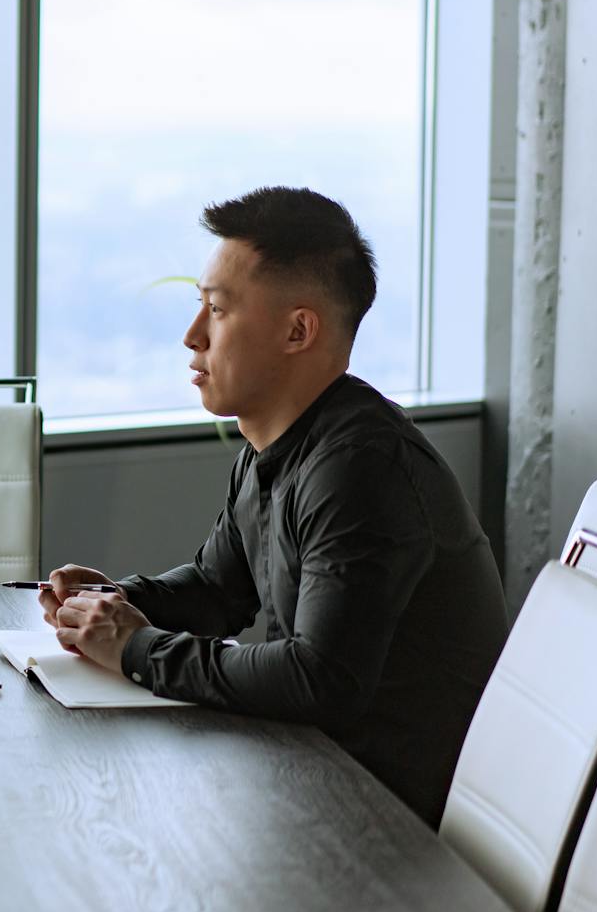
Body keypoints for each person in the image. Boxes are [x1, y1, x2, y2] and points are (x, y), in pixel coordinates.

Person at [39, 187, 506, 826]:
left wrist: (136, 647)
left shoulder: (361, 469)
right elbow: (216, 590)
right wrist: (113, 604)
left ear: (298, 330)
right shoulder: (277, 450)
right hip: (313, 782)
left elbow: (319, 680)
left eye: (218, 311)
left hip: (385, 832)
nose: (192, 336)